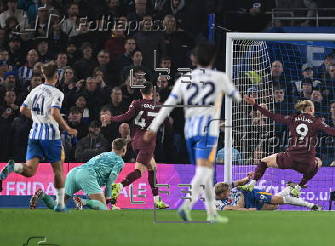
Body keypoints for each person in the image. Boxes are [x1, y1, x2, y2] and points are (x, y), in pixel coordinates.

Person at [145, 42, 242, 223]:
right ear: (212, 59)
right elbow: (236, 97)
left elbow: (169, 105)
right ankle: (186, 206)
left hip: (189, 132)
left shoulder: (184, 80)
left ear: (193, 59)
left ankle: (212, 213)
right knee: (204, 171)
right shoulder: (220, 77)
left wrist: (153, 127)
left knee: (204, 171)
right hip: (208, 131)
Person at [241, 97, 335, 195]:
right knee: (318, 161)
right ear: (311, 109)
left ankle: (251, 184)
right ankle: (299, 187)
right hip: (306, 162)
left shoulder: (292, 118)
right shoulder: (317, 121)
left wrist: (256, 105)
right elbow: (332, 131)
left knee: (263, 161)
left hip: (290, 158)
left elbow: (273, 116)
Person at [0, 62, 78, 212]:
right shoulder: (57, 93)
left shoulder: (35, 90)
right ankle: (60, 204)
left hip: (34, 134)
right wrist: (67, 128)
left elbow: (22, 109)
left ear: (43, 75)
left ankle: (13, 167)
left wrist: (37, 118)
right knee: (58, 169)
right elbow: (55, 113)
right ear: (56, 76)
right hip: (50, 136)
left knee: (29, 170)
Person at [102, 81, 169, 209]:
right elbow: (167, 124)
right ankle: (119, 186)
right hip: (148, 142)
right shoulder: (160, 106)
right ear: (153, 92)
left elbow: (126, 116)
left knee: (152, 169)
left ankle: (157, 200)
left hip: (136, 141)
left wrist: (111, 119)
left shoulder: (136, 103)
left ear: (141, 92)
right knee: (139, 171)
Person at [29, 138, 128, 210]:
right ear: (123, 149)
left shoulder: (104, 154)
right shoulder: (119, 161)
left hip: (74, 171)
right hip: (87, 175)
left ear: (112, 147)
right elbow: (110, 181)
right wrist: (108, 200)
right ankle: (82, 201)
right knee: (103, 207)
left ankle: (42, 195)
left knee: (57, 205)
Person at [215, 174, 321, 211]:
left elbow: (240, 183)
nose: (230, 192)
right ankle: (289, 188)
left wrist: (248, 178)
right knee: (275, 206)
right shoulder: (217, 204)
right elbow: (234, 208)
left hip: (251, 194)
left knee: (278, 200)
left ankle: (311, 205)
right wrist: (245, 209)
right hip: (249, 205)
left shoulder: (226, 187)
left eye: (229, 190)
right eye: (227, 192)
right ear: (221, 195)